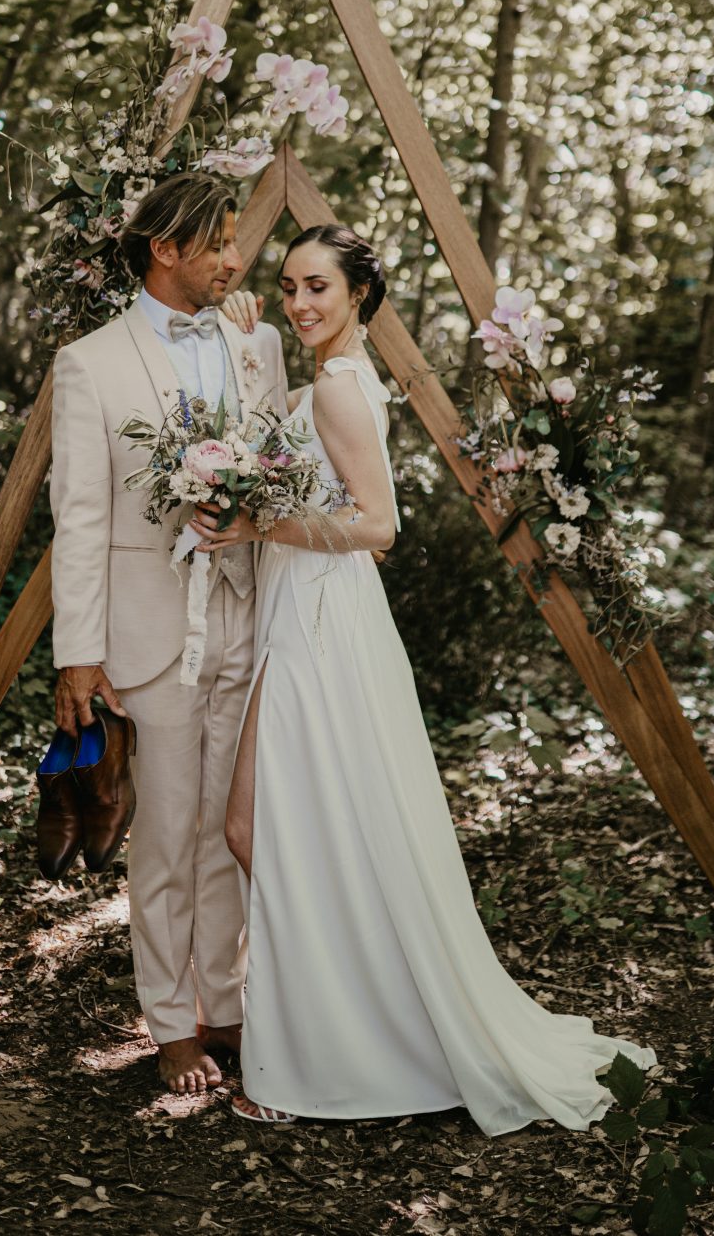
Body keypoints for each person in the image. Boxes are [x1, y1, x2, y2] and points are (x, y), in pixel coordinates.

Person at [194, 224, 657, 1133]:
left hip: (323, 621)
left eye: (317, 287)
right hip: (310, 617)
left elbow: (379, 527)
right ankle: (349, 1030)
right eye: (288, 287)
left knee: (265, 828)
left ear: (360, 295)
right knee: (277, 829)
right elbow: (278, 447)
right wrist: (237, 334)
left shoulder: (337, 387)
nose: (299, 304)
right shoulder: (332, 379)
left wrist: (260, 529)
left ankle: (320, 1056)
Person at [50, 173, 287, 1095]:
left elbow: (274, 465)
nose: (235, 259)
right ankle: (168, 1021)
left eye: (236, 243)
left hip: (245, 618)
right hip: (149, 633)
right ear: (165, 249)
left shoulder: (255, 343)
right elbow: (77, 517)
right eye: (218, 244)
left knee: (230, 828)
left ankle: (223, 1003)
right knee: (165, 833)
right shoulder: (90, 363)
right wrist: (79, 651)